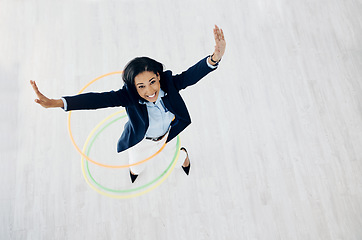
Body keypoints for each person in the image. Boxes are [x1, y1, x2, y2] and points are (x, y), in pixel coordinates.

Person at [30, 25, 226, 183]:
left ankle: (184, 157)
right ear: (133, 87)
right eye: (141, 86)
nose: (149, 91)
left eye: (152, 82)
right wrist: (57, 103)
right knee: (136, 165)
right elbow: (96, 100)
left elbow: (191, 75)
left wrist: (214, 58)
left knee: (175, 158)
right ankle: (136, 171)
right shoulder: (128, 96)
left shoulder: (171, 85)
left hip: (167, 136)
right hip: (141, 140)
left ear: (158, 76)